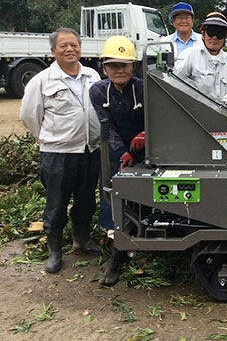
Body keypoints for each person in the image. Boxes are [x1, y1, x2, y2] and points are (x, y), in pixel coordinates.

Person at [20, 28, 102, 273]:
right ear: (53, 51)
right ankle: (55, 251)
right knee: (56, 204)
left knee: (86, 201)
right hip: (57, 155)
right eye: (64, 46)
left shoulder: (92, 75)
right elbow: (29, 116)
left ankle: (82, 240)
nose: (70, 49)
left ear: (80, 48)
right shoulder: (42, 80)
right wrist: (50, 139)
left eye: (74, 45)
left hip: (89, 150)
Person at [89, 36, 145, 286]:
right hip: (115, 152)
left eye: (124, 65)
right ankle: (115, 253)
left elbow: (159, 119)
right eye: (113, 65)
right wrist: (122, 150)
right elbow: (107, 125)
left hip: (145, 152)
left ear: (133, 66)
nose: (119, 70)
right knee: (113, 200)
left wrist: (147, 135)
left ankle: (138, 242)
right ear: (104, 68)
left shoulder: (144, 88)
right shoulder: (99, 91)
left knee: (142, 199)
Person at [174, 12, 227, 109]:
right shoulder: (189, 55)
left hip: (223, 115)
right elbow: (176, 82)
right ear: (203, 34)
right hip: (193, 113)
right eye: (211, 32)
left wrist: (226, 103)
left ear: (225, 37)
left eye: (219, 34)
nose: (214, 38)